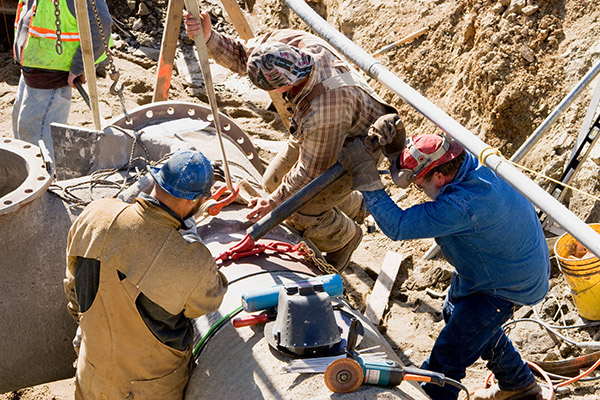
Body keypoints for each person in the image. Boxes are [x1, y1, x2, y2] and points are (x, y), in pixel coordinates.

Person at [184, 11, 399, 271]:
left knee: (297, 210)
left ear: (279, 89)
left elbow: (311, 172)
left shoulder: (324, 110)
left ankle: (345, 237)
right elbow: (244, 55)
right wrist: (208, 38)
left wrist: (274, 204)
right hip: (318, 133)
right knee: (272, 181)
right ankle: (353, 205)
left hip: (354, 146)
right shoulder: (290, 45)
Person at [339, 134, 549, 400]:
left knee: (448, 357)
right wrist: (395, 156)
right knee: (459, 315)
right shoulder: (470, 163)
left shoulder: (463, 205)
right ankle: (518, 383)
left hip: (505, 285)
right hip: (499, 266)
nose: (418, 187)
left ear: (439, 177)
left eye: (419, 183)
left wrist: (366, 180)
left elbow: (398, 226)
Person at [64, 149, 228, 399]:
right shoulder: (193, 260)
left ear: (157, 179)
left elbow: (72, 286)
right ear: (196, 201)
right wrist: (189, 240)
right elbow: (204, 304)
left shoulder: (94, 214)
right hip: (151, 389)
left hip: (91, 375)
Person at [12, 0, 112, 159]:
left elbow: (101, 24)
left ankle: (43, 180)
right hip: (32, 66)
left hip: (52, 73)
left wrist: (79, 65)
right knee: (22, 129)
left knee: (36, 140)